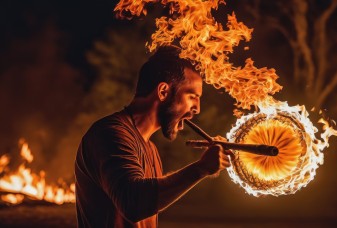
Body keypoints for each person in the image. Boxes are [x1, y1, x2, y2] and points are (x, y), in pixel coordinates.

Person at [74, 45, 232, 227]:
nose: (197, 109)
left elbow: (148, 204)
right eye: (192, 96)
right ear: (163, 91)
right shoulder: (110, 134)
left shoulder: (151, 150)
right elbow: (132, 203)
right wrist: (201, 169)